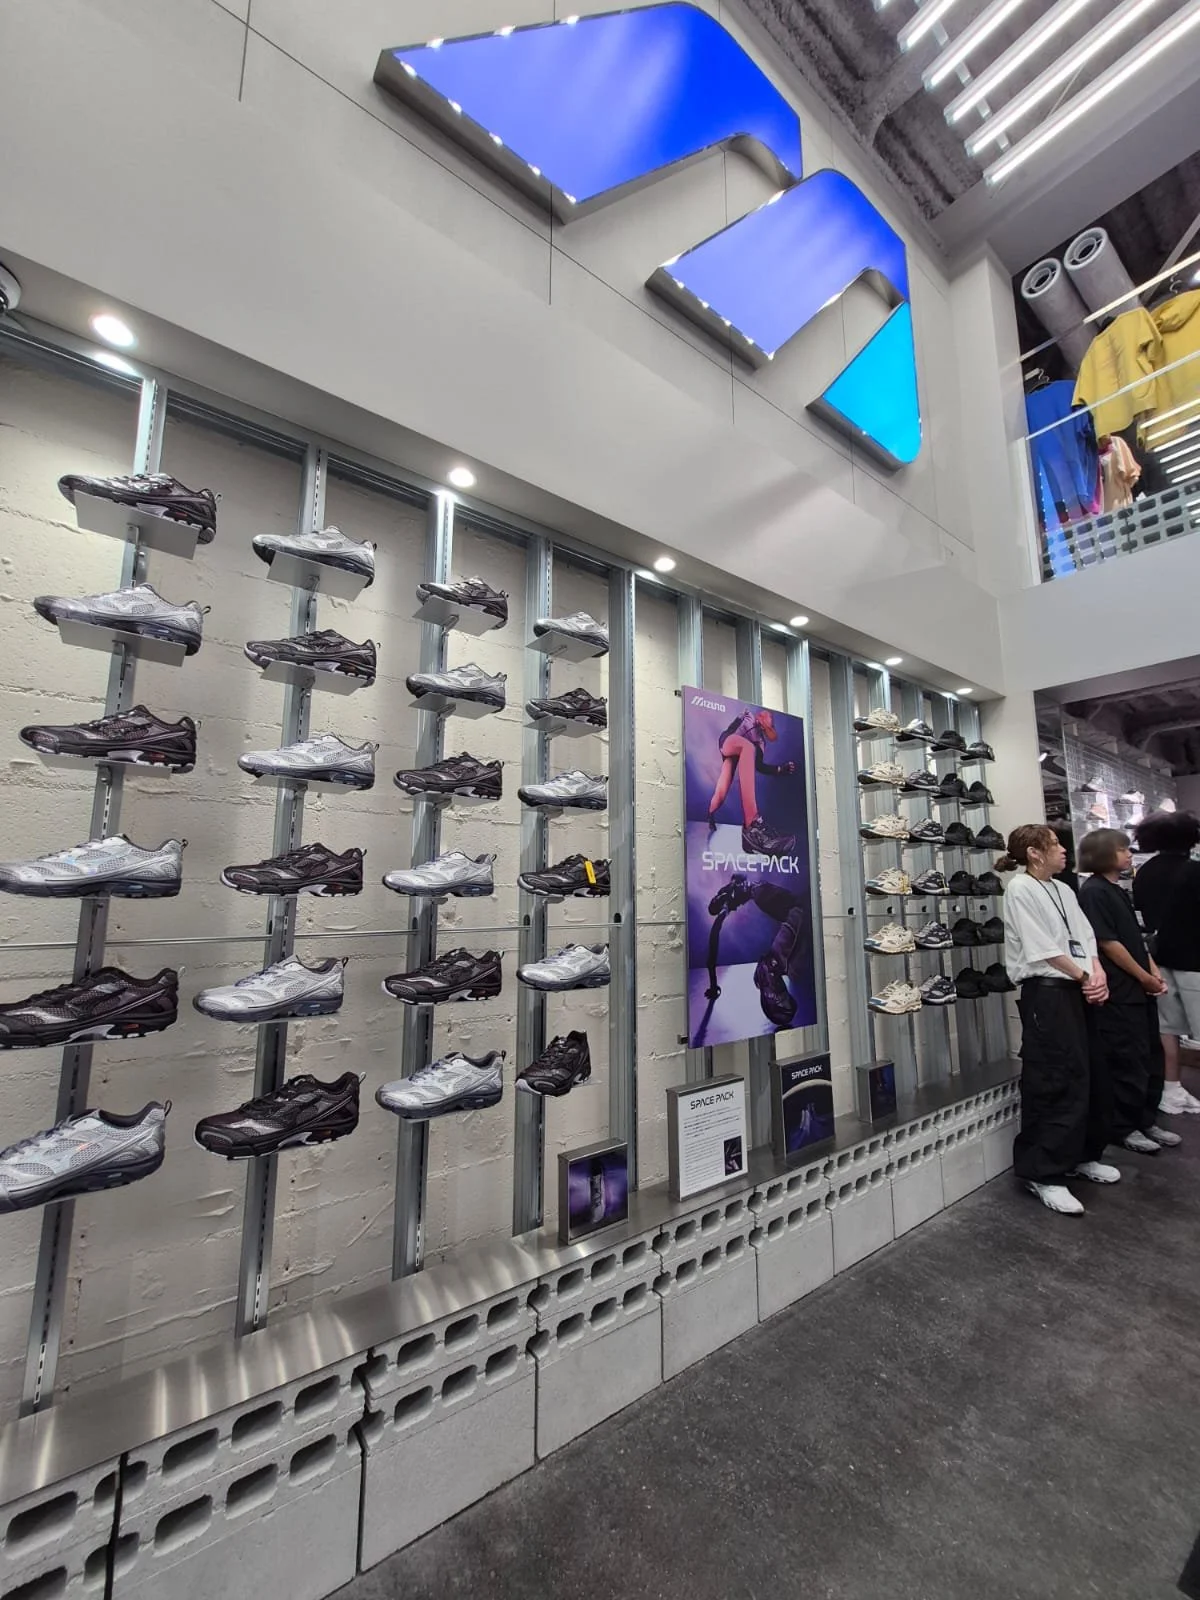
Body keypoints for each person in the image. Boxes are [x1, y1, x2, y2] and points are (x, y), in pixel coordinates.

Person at [999, 823, 1118, 1216]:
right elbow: (1041, 949)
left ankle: (1083, 1154)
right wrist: (1086, 976)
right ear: (1034, 852)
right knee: (1054, 1079)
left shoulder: (1064, 889)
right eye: (1054, 844)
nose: (1064, 850)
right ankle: (1043, 1172)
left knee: (1092, 1073)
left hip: (1079, 988)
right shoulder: (1019, 889)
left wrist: (1096, 973)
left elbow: (1085, 937)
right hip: (1048, 994)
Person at [1077, 828, 1181, 1155]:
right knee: (1126, 1058)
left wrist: (1151, 972)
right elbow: (1108, 944)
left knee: (1149, 1054)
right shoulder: (1093, 892)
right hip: (1121, 991)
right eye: (1122, 849)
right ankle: (1123, 1127)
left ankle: (1144, 1119)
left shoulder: (1116, 889)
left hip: (1137, 988)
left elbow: (1134, 938)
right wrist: (1143, 976)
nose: (1128, 854)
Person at [1132, 809, 1200, 1116]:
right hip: (1195, 959)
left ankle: (1171, 1089)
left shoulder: (1144, 872)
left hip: (1158, 960)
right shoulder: (1194, 870)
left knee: (1166, 1028)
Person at [707, 707, 796, 856]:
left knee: (720, 794)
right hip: (728, 742)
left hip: (740, 754)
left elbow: (759, 766)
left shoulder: (760, 742)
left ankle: (711, 816)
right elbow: (731, 730)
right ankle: (752, 824)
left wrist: (780, 769)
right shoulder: (747, 716)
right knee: (747, 747)